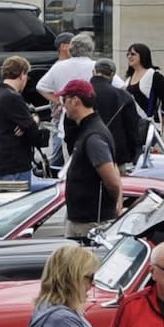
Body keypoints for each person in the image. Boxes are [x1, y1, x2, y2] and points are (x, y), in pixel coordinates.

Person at [57, 80, 121, 231]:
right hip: (85, 219)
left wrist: (115, 201)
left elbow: (111, 180)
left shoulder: (93, 137)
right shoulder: (87, 130)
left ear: (75, 101)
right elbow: (114, 167)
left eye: (64, 100)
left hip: (89, 223)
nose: (63, 106)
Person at [0, 55, 39, 181]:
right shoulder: (13, 97)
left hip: (2, 163)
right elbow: (34, 132)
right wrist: (33, 122)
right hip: (15, 168)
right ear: (22, 75)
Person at [121, 42, 164, 127]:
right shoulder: (128, 79)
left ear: (143, 55)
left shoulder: (154, 76)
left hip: (149, 125)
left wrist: (163, 119)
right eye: (128, 54)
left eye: (133, 54)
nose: (129, 56)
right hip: (131, 126)